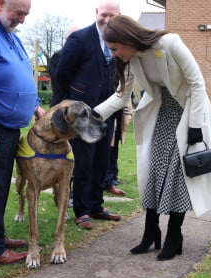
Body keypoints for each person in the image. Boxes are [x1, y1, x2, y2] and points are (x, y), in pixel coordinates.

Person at [93, 15, 211, 261]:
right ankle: (150, 232)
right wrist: (95, 113)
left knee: (178, 174)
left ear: (127, 40)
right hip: (162, 112)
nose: (113, 54)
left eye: (114, 48)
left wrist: (196, 126)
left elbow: (197, 84)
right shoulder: (131, 59)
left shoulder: (170, 43)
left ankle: (174, 236)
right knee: (153, 170)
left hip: (189, 111)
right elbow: (121, 97)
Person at [0, 0, 45, 265]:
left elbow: (18, 76)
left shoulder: (6, 32)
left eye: (26, 14)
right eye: (19, 13)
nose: (23, 20)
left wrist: (36, 106)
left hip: (7, 128)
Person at [56, 0, 122, 230]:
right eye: (104, 14)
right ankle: (81, 210)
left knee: (102, 161)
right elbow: (62, 76)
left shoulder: (120, 42)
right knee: (83, 162)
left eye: (112, 16)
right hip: (82, 115)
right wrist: (67, 107)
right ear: (96, 13)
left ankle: (96, 206)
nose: (107, 19)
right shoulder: (80, 39)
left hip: (107, 114)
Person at [48, 25, 80, 207]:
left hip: (77, 114)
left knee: (74, 155)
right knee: (61, 153)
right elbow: (62, 85)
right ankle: (60, 192)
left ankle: (71, 192)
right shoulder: (58, 58)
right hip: (62, 113)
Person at [104, 104, 132, 196]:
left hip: (119, 109)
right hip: (107, 107)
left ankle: (111, 179)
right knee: (106, 147)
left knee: (114, 145)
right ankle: (108, 180)